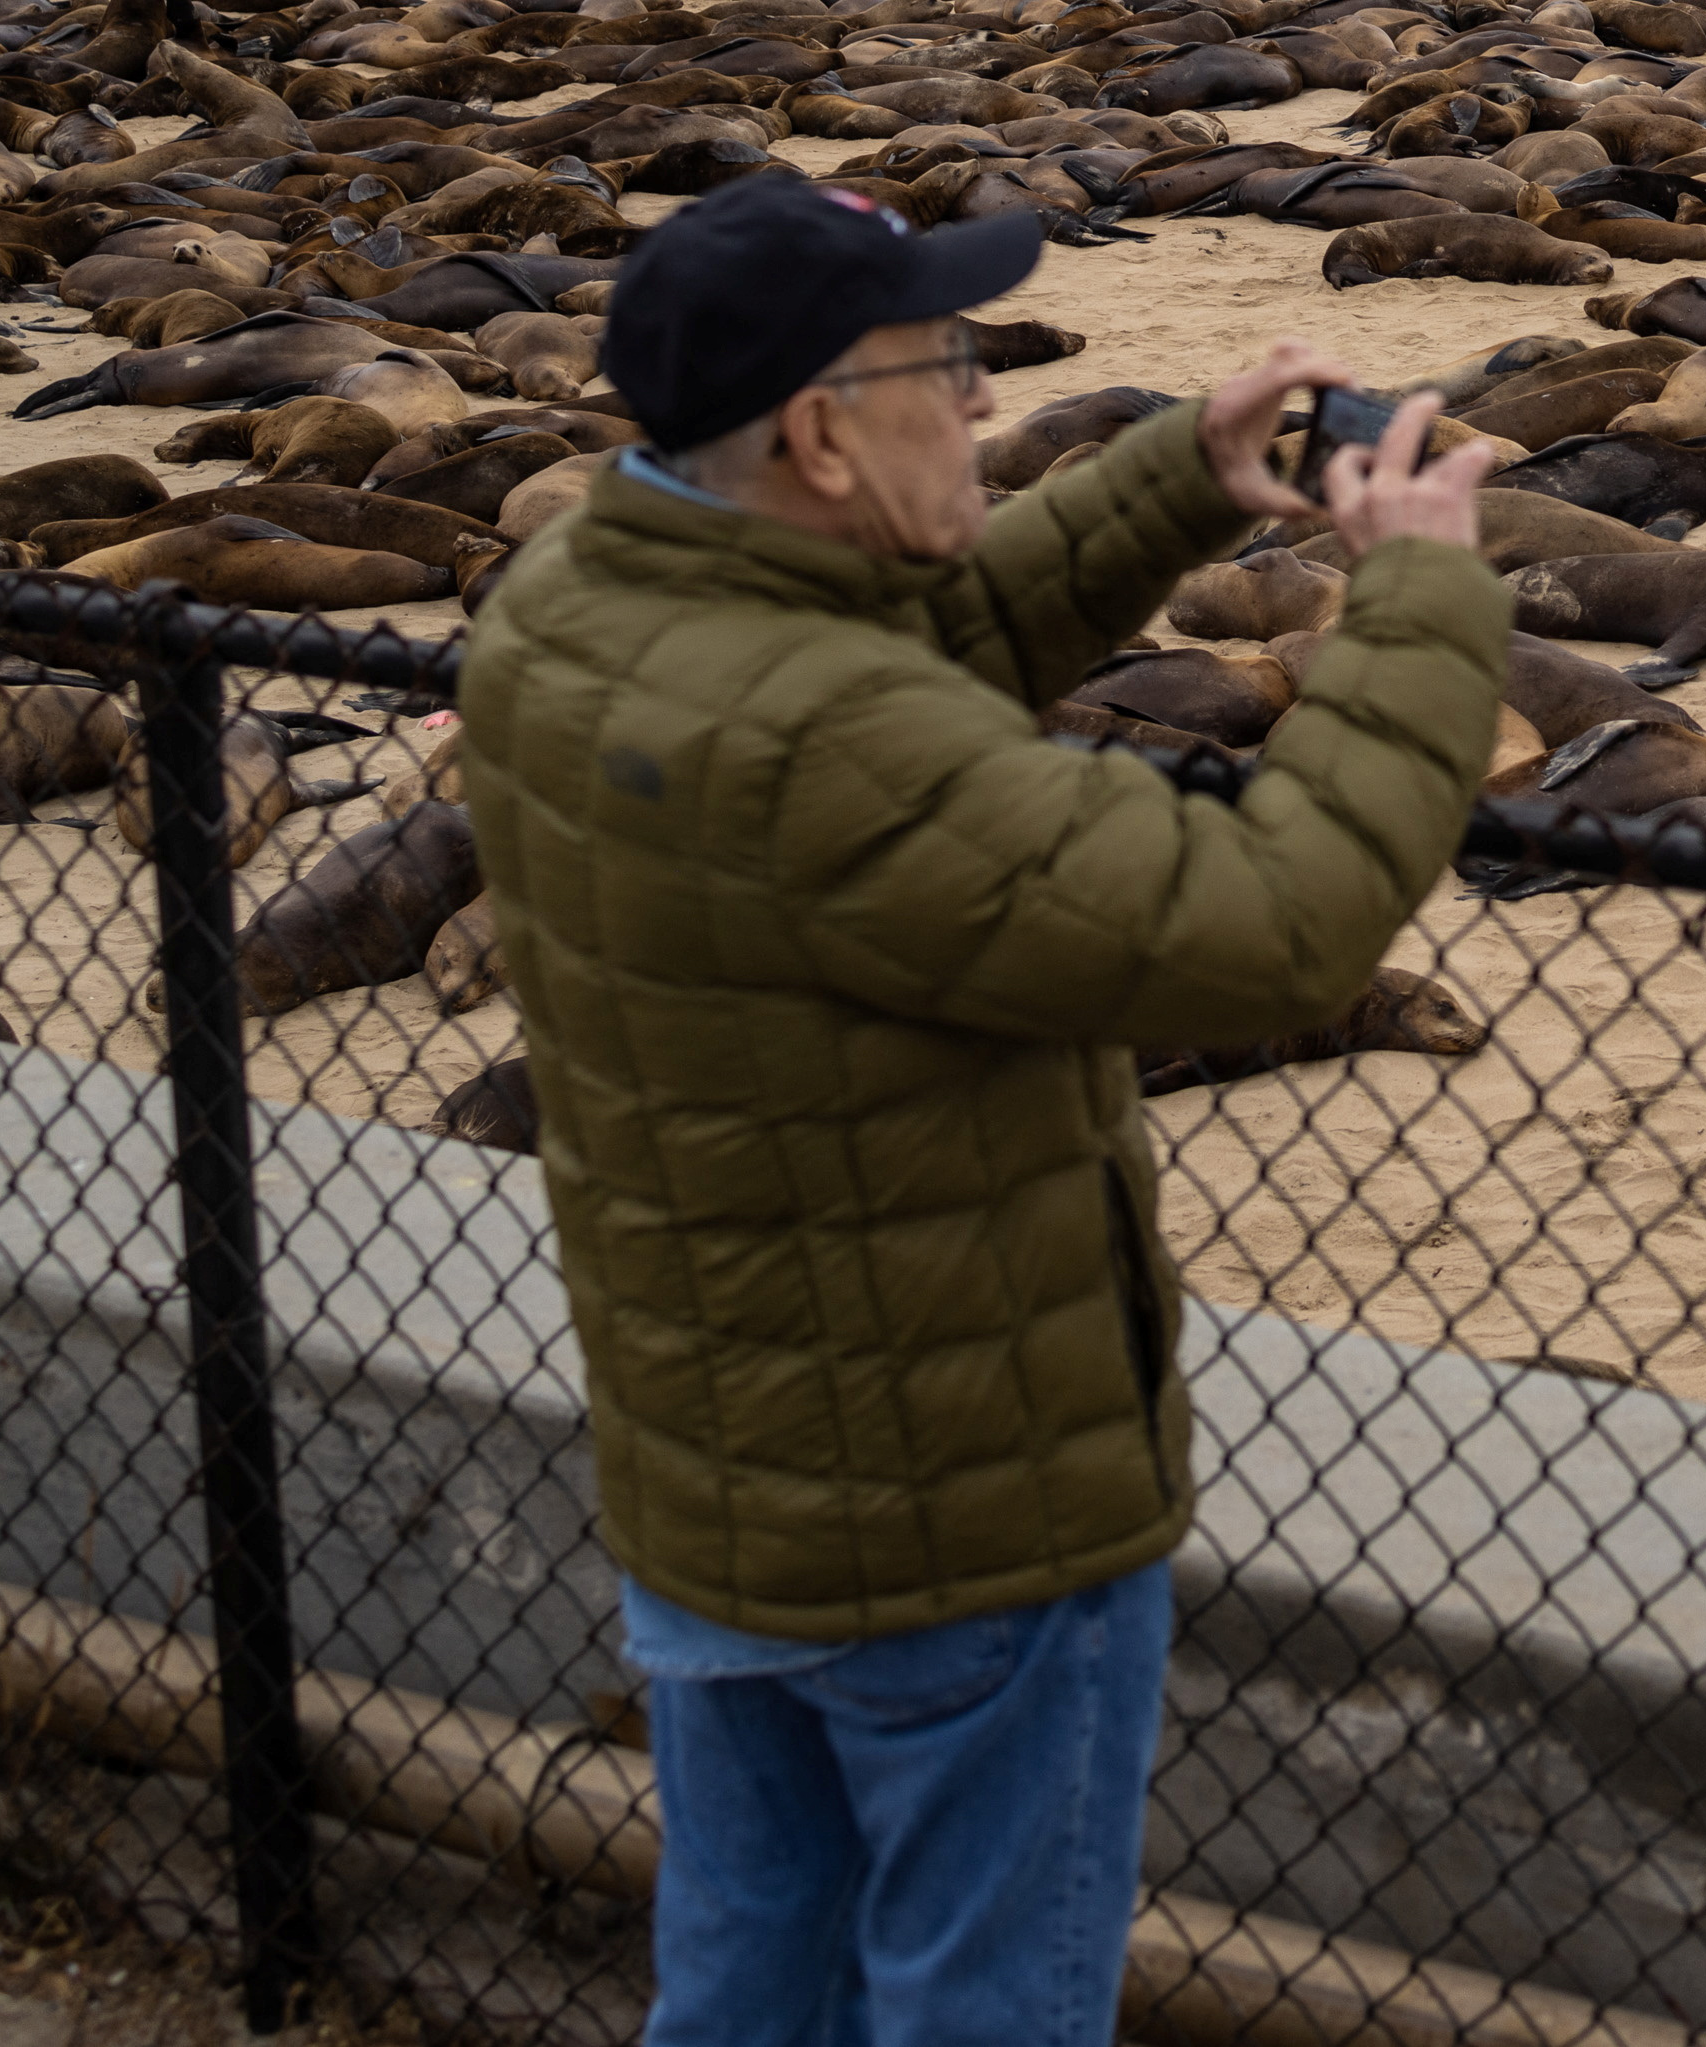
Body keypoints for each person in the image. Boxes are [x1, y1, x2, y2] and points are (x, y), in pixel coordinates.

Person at [459, 172, 1510, 2045]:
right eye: (940, 366)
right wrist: (1420, 594)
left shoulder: (579, 605)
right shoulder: (820, 741)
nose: (978, 397)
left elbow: (882, 686)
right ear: (813, 437)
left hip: (721, 1482)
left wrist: (1175, 476)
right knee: (982, 2008)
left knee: (746, 1988)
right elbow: (1276, 929)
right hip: (951, 1535)